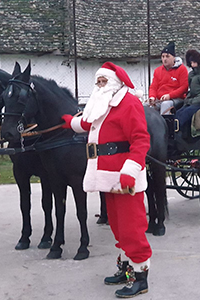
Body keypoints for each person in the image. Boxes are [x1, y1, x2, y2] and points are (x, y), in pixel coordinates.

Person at [61, 62, 151, 298]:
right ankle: (126, 269)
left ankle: (140, 278)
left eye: (104, 81)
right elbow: (88, 122)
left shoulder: (128, 103)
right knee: (118, 227)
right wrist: (69, 121)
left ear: (115, 82)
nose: (100, 85)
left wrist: (130, 170)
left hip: (125, 177)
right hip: (106, 176)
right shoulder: (102, 103)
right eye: (97, 82)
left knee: (132, 227)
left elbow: (141, 140)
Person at [148, 41, 189, 115]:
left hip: (176, 99)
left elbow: (184, 87)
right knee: (145, 107)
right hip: (159, 100)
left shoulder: (182, 69)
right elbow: (153, 87)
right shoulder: (158, 71)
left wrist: (170, 95)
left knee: (165, 105)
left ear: (173, 57)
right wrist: (152, 97)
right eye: (163, 56)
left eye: (167, 56)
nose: (165, 59)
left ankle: (166, 125)